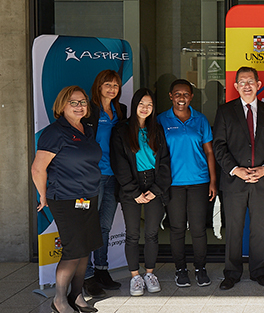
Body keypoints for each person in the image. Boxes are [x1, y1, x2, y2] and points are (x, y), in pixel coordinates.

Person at [31, 86, 102, 313]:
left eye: (83, 102)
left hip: (88, 196)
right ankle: (59, 300)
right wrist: (43, 195)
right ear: (61, 106)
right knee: (73, 250)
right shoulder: (54, 132)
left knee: (85, 248)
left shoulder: (86, 129)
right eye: (74, 102)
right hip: (65, 198)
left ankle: (76, 296)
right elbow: (38, 168)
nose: (80, 106)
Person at [213, 67, 264, 290]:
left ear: (259, 84)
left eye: (251, 81)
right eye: (242, 82)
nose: (247, 86)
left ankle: (259, 271)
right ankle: (232, 273)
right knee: (233, 229)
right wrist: (235, 169)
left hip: (263, 181)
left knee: (261, 229)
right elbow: (219, 146)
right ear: (235, 87)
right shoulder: (225, 111)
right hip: (234, 182)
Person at [110, 88, 171, 297]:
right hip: (131, 186)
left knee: (152, 233)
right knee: (133, 234)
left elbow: (164, 162)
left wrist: (155, 191)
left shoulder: (157, 129)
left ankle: (150, 273)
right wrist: (133, 191)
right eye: (141, 104)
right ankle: (135, 276)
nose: (145, 108)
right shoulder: (121, 130)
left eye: (150, 105)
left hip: (153, 184)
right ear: (135, 105)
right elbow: (119, 165)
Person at [157, 79, 218, 287]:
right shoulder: (161, 120)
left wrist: (213, 181)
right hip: (172, 183)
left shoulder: (200, 120)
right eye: (177, 94)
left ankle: (200, 268)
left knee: (199, 229)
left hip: (199, 181)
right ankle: (180, 269)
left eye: (185, 94)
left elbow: (209, 151)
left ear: (191, 97)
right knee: (177, 228)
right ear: (170, 96)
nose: (181, 98)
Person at [81, 70, 127, 296]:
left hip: (113, 177)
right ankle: (86, 276)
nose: (111, 88)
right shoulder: (88, 110)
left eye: (115, 85)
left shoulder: (121, 110)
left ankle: (101, 270)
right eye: (107, 84)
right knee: (88, 226)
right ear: (98, 86)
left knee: (104, 227)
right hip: (92, 176)